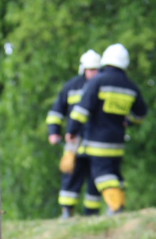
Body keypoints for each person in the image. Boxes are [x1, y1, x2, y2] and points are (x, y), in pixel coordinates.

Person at [65, 43, 147, 215]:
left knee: (101, 174)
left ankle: (116, 207)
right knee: (114, 174)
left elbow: (81, 110)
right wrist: (128, 122)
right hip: (117, 142)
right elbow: (141, 114)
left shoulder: (98, 82)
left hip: (97, 141)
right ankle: (118, 205)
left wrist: (72, 130)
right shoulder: (130, 86)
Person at [47, 50, 102, 218]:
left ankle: (91, 213)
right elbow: (56, 112)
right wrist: (54, 132)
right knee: (71, 174)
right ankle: (67, 210)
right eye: (90, 70)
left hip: (96, 139)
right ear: (83, 69)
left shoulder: (103, 86)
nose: (93, 73)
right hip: (74, 139)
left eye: (96, 70)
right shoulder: (71, 87)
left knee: (95, 177)